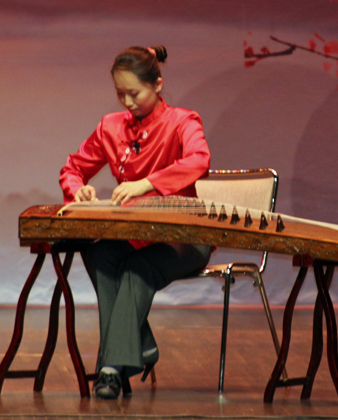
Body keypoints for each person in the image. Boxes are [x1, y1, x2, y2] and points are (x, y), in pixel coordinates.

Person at [59, 45, 213, 399]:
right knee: (100, 256)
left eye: (135, 93)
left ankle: (111, 370)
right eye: (120, 94)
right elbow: (73, 167)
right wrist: (78, 188)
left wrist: (148, 183)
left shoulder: (182, 121)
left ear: (158, 85)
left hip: (184, 236)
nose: (127, 102)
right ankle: (139, 344)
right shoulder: (111, 127)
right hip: (134, 233)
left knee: (136, 269)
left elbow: (199, 159)